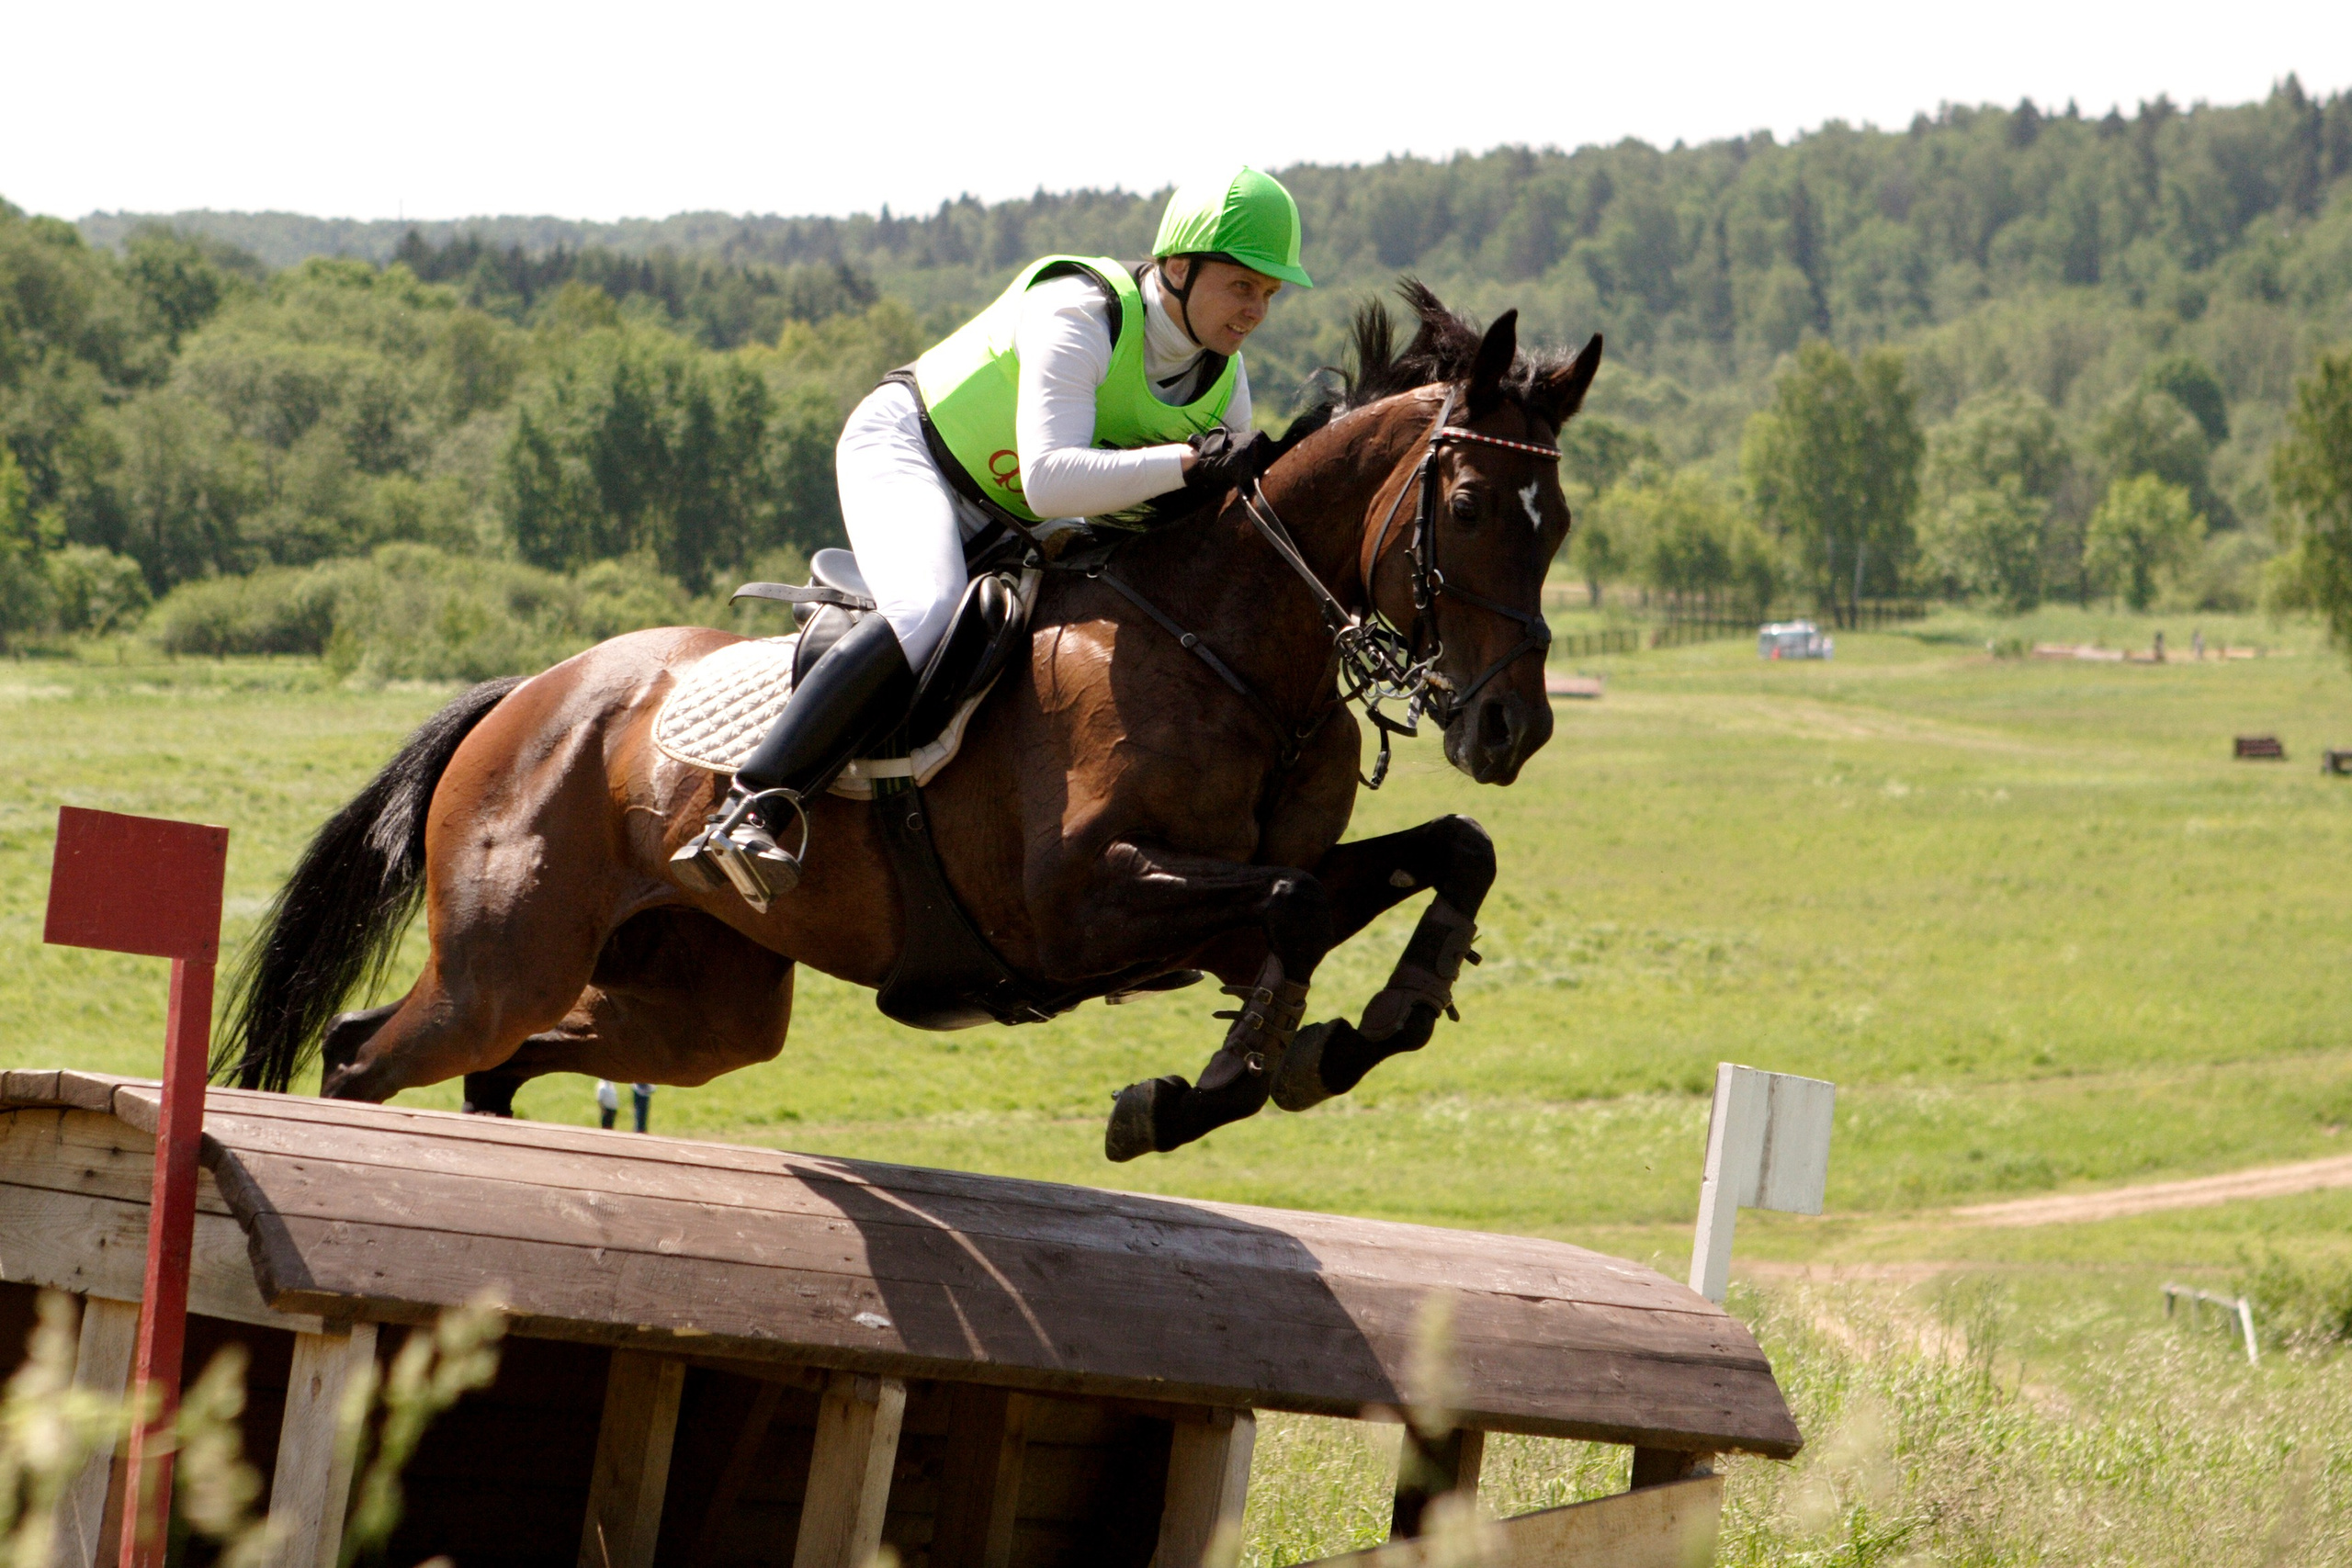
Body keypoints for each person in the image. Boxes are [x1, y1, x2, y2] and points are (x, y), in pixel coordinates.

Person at [674, 167, 1313, 903]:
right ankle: (752, 805)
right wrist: (1184, 464)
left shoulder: (1222, 384)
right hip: (914, 453)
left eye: (1269, 293)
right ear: (1178, 265)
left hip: (1023, 521)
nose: (1257, 310)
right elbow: (1048, 477)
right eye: (1243, 286)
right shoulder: (1081, 311)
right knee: (926, 609)